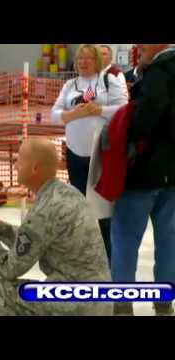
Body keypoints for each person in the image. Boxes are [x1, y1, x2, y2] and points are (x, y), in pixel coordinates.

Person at [0, 138, 112, 316]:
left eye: (19, 159)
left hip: (76, 305)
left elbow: (8, 268)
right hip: (99, 300)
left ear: (35, 168)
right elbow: (33, 241)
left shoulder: (43, 211)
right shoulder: (69, 193)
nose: (14, 163)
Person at [111, 44, 175, 316]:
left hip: (143, 173)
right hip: (172, 175)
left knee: (125, 239)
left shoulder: (160, 71)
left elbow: (144, 119)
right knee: (169, 241)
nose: (139, 47)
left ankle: (123, 304)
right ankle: (164, 302)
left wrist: (128, 132)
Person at [51, 44, 128, 261]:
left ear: (97, 61)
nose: (83, 62)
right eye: (80, 58)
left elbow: (124, 110)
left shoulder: (108, 81)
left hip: (100, 155)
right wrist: (71, 114)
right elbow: (54, 115)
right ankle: (80, 257)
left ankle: (107, 260)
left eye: (88, 58)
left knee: (102, 211)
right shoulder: (69, 85)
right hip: (75, 154)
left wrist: (99, 110)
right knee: (79, 209)